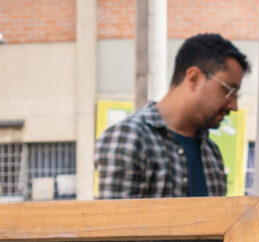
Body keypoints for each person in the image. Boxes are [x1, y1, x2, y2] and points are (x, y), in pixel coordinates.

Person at [92, 34, 249, 198]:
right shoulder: (128, 138)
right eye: (229, 90)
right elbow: (117, 222)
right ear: (194, 78)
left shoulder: (211, 152)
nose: (234, 106)